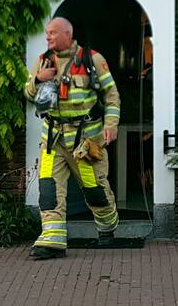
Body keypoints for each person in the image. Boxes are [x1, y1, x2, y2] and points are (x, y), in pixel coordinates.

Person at [24, 16, 121, 260]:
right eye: (47, 33)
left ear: (68, 34)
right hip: (53, 140)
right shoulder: (43, 62)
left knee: (94, 189)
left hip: (85, 142)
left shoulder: (92, 60)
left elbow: (112, 95)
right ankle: (52, 241)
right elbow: (27, 92)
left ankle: (108, 227)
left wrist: (111, 124)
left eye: (53, 33)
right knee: (48, 189)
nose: (48, 37)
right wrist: (38, 79)